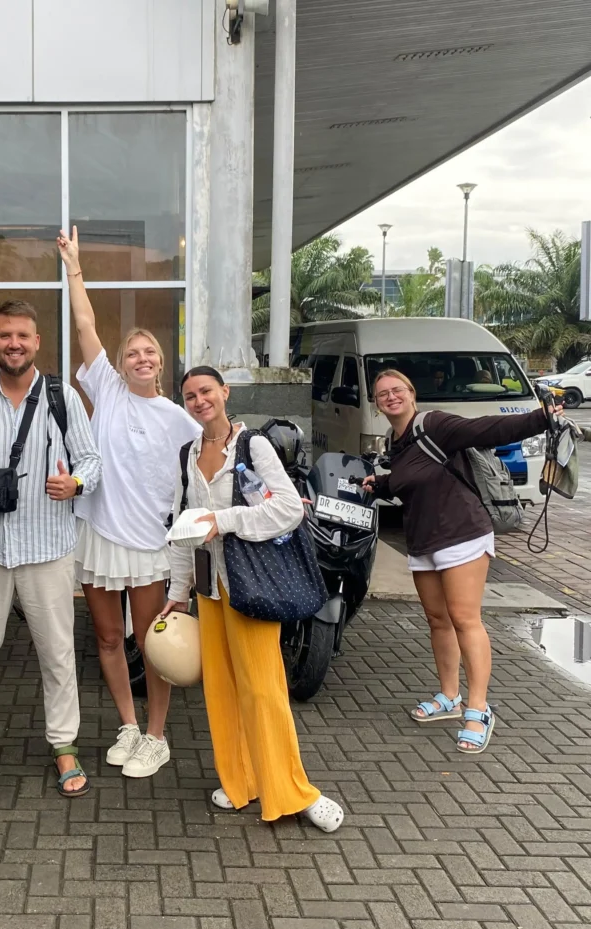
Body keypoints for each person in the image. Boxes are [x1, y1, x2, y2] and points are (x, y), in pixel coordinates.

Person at [160, 366, 344, 832]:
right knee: (221, 688)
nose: (199, 401)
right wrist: (178, 593)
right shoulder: (187, 453)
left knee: (264, 690)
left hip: (252, 584)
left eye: (206, 391)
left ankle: (294, 792)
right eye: (190, 396)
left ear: (224, 393)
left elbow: (286, 507)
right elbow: (183, 528)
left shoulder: (253, 444)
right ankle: (241, 780)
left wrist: (226, 521)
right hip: (210, 587)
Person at [0, 299, 102, 797]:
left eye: (23, 336)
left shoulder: (62, 397)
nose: (14, 344)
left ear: (36, 342)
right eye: (5, 335)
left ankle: (64, 745)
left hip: (47, 546)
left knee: (56, 653)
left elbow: (92, 460)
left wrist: (74, 482)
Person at [57, 227, 199, 778]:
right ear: (121, 363)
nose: (141, 358)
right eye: (132, 352)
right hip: (96, 535)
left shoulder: (180, 419)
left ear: (161, 363)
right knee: (110, 639)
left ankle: (157, 736)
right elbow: (86, 324)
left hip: (148, 546)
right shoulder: (108, 390)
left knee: (152, 643)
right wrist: (74, 266)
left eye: (150, 352)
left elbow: (212, 464)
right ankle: (128, 726)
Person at [363, 369, 558, 753]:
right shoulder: (396, 440)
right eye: (382, 394)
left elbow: (488, 429)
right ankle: (450, 696)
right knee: (438, 620)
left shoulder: (434, 423)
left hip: (462, 534)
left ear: (412, 393)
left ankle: (478, 708)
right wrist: (380, 484)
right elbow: (410, 479)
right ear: (376, 403)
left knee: (465, 619)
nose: (390, 397)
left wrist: (540, 418)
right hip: (422, 540)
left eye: (396, 390)